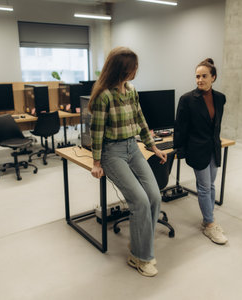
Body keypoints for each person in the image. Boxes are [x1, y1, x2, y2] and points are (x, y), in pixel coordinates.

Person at [89, 46, 167, 277]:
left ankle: (141, 244)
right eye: (133, 68)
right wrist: (95, 163)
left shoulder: (131, 91)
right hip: (112, 153)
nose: (136, 71)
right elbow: (97, 132)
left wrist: (154, 147)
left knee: (154, 196)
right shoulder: (104, 96)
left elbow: (141, 121)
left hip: (133, 148)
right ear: (122, 69)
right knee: (140, 201)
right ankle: (140, 258)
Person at [173, 58, 228, 245]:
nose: (200, 80)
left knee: (211, 185)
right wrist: (180, 151)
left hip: (213, 147)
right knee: (204, 187)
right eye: (197, 76)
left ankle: (207, 218)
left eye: (204, 76)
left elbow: (216, 125)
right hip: (196, 149)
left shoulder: (220, 98)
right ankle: (210, 225)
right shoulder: (187, 99)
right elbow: (180, 127)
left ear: (213, 77)